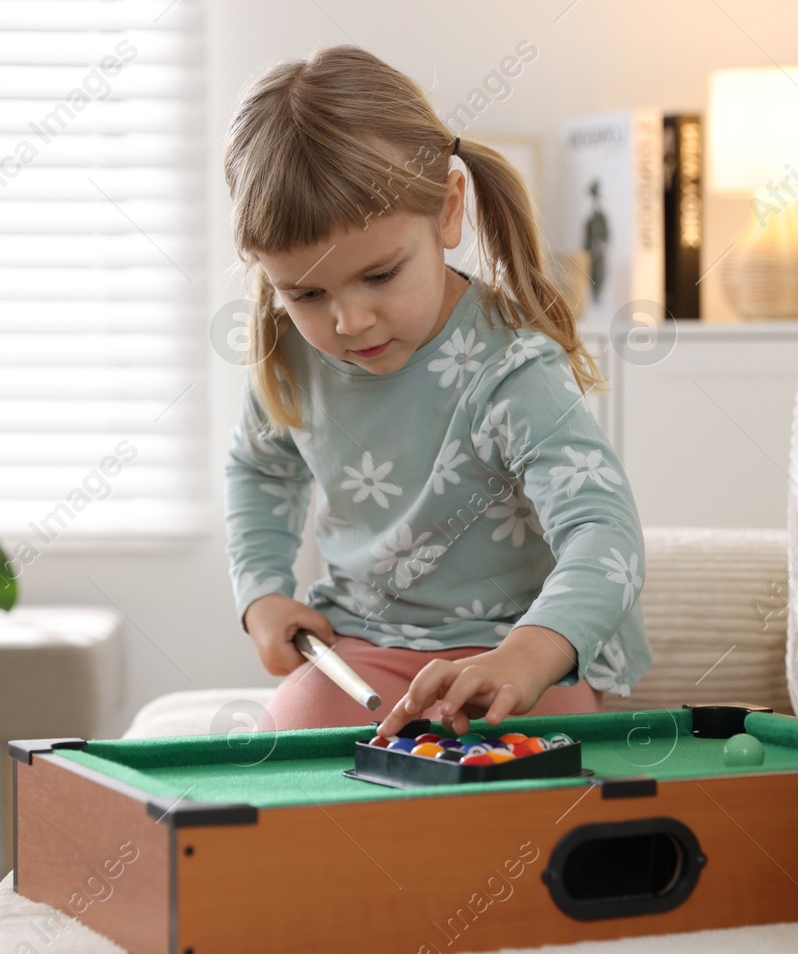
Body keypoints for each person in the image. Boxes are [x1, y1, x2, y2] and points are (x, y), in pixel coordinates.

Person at [222, 44, 652, 737]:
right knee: (291, 748)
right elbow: (257, 466)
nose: (348, 320)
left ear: (448, 212)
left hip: (515, 649)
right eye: (305, 292)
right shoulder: (293, 356)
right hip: (362, 647)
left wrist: (530, 655)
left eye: (382, 275)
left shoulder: (511, 368)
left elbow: (604, 531)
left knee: (539, 767)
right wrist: (262, 592)